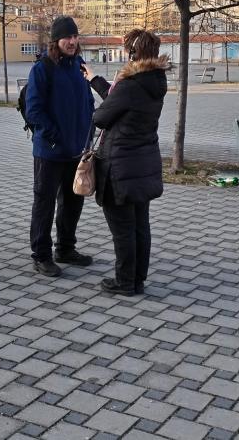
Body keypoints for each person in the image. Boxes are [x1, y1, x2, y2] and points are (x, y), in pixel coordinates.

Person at [82, 29, 168, 296]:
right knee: (141, 225)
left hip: (120, 165)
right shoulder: (154, 80)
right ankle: (137, 279)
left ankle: (124, 282)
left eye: (126, 50)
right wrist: (95, 80)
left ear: (133, 53)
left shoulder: (130, 85)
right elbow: (118, 99)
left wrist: (98, 107)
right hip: (143, 163)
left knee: (122, 229)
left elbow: (101, 118)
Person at [24, 16, 95, 277]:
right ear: (56, 40)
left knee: (72, 202)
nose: (73, 42)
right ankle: (41, 255)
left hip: (77, 150)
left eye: (75, 37)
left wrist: (90, 131)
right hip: (50, 151)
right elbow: (34, 110)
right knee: (45, 203)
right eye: (67, 37)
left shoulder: (79, 66)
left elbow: (88, 101)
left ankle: (65, 248)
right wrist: (53, 137)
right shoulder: (43, 68)